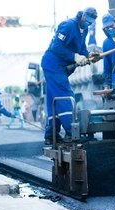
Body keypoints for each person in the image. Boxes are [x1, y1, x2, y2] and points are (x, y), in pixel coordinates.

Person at [41, 7, 99, 145]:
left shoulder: (83, 30)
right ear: (82, 16)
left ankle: (51, 135)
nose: (87, 23)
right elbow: (56, 47)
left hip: (60, 68)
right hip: (53, 65)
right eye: (87, 20)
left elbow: (81, 47)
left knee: (53, 101)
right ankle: (71, 133)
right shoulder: (68, 26)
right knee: (65, 96)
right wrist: (74, 56)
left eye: (90, 22)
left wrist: (88, 55)